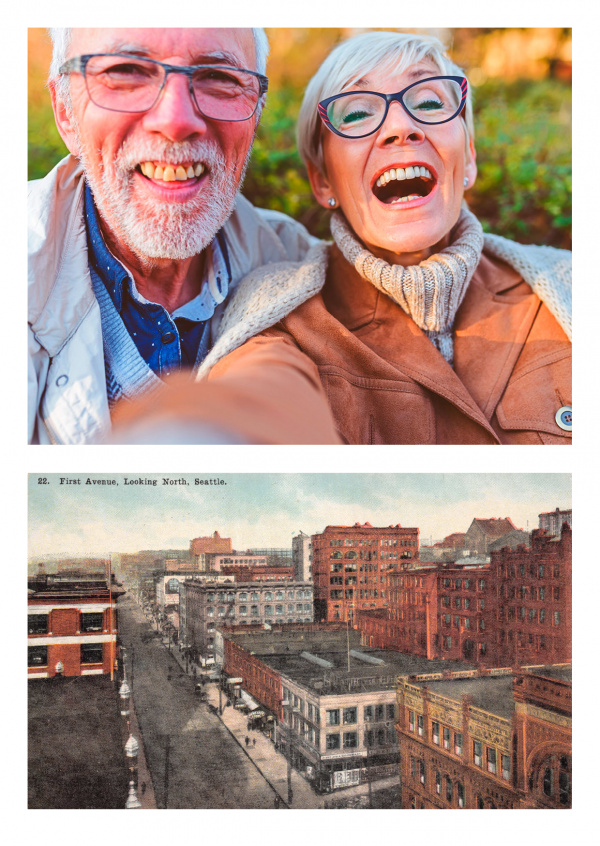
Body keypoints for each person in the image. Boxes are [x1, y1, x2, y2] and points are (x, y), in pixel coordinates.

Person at [176, 30, 571, 445]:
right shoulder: (280, 321)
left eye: (431, 103)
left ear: (469, 156)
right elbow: (257, 400)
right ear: (322, 180)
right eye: (357, 114)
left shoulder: (569, 285)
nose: (401, 127)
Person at [28, 27, 337, 444]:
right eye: (126, 72)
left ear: (257, 112)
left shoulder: (299, 266)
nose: (175, 121)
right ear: (65, 111)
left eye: (219, 78)